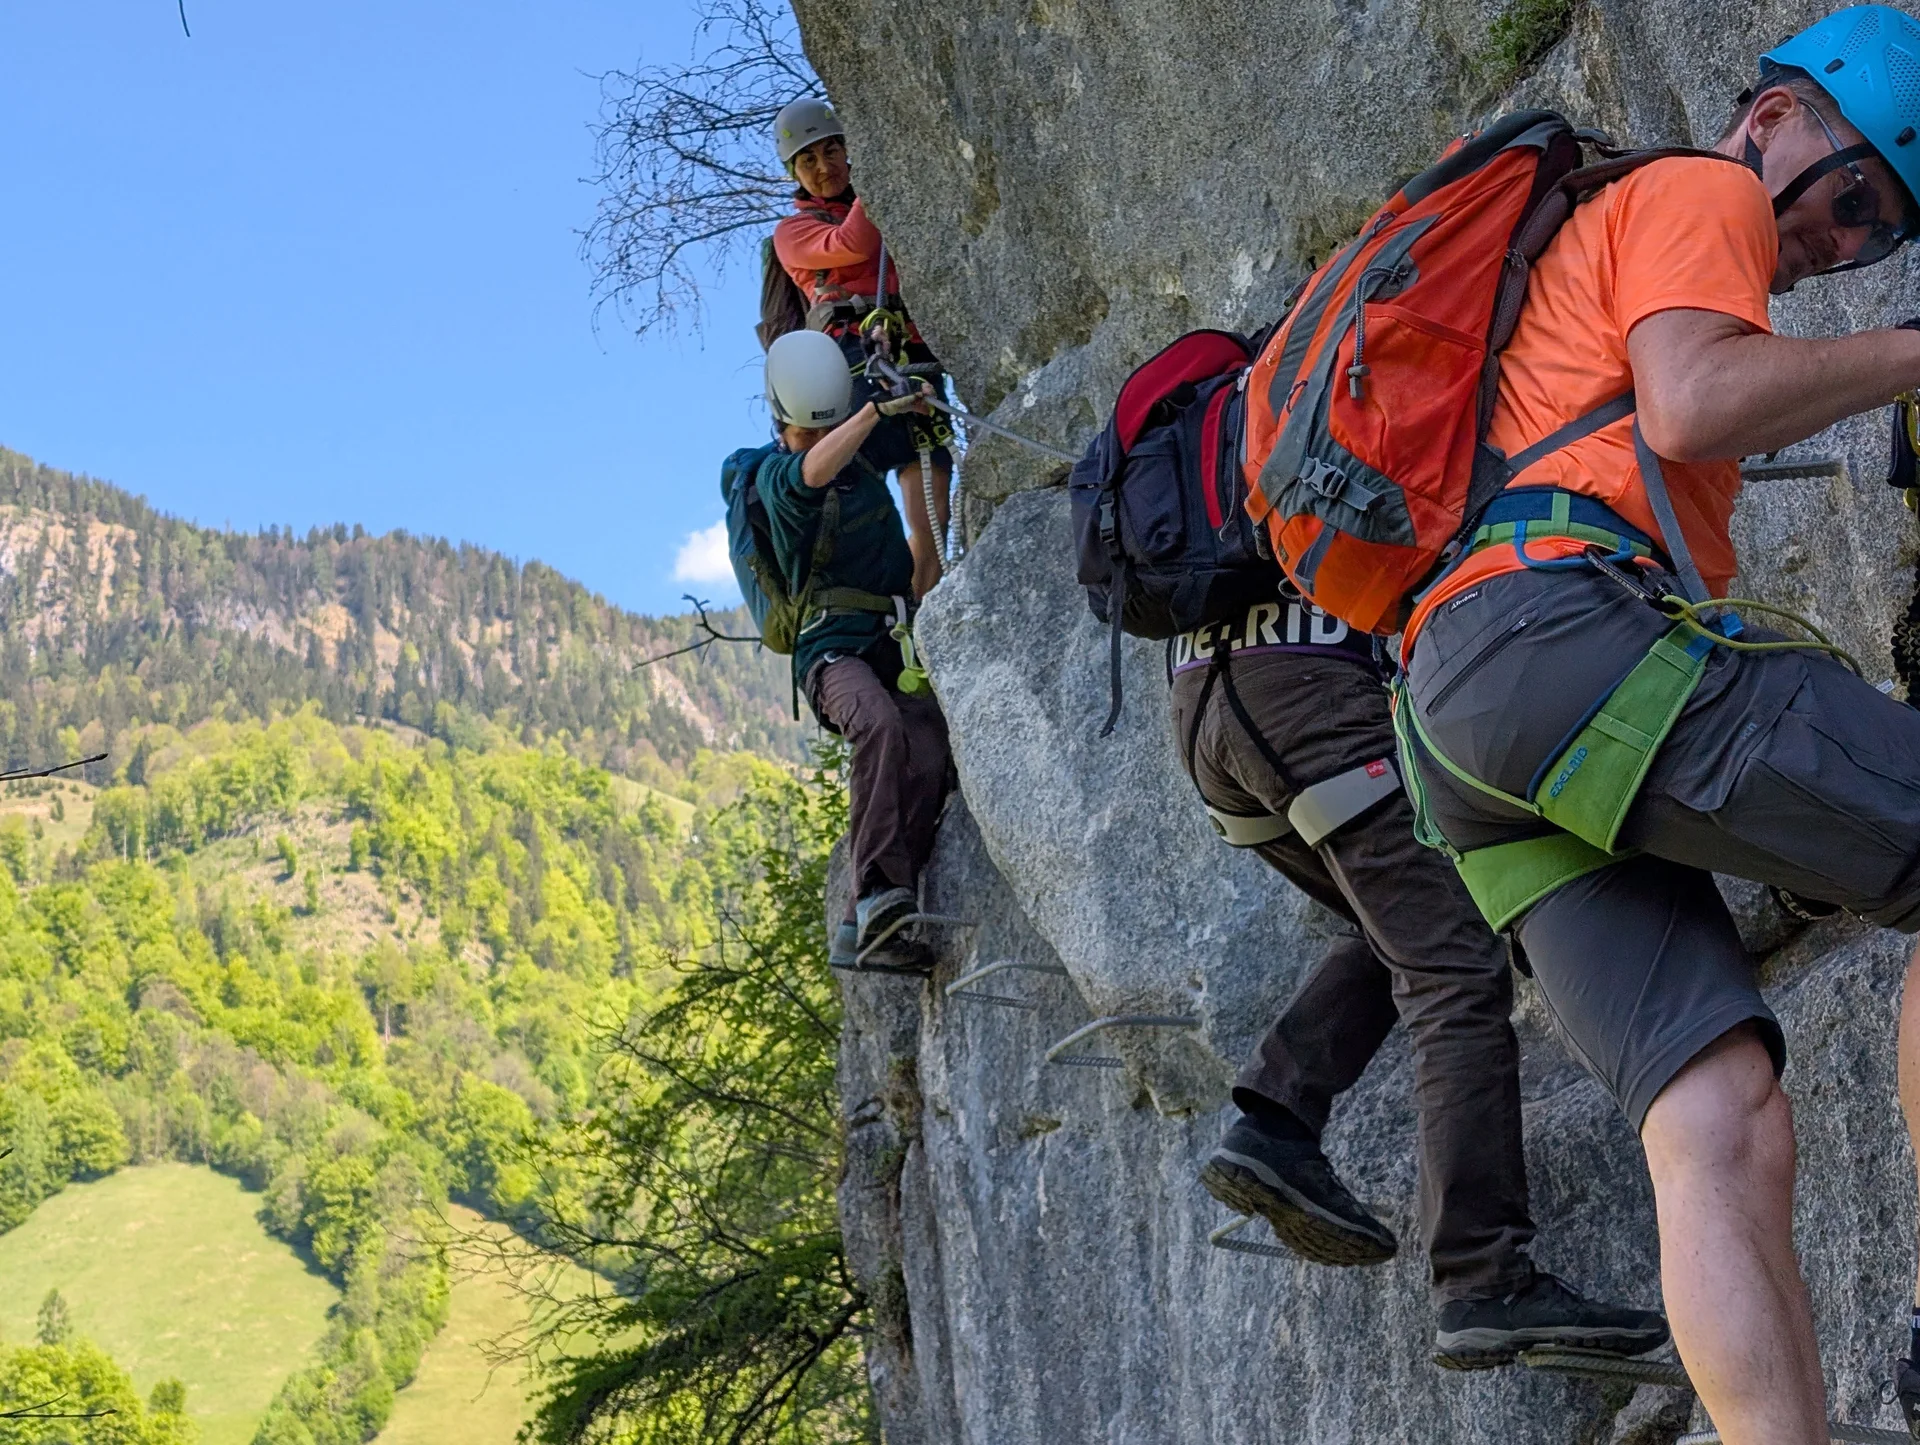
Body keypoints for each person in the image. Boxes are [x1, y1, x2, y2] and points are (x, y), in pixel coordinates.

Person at [1391, 9, 1920, 1439]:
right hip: (1561, 638)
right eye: (1853, 195)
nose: (1840, 243)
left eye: (1878, 235)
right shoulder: (1698, 189)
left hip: (1459, 718)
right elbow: (1692, 406)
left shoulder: (1589, 256)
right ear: (1778, 116)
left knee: (1714, 1117)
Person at [1173, 589, 1668, 1368]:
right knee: (1455, 966)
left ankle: (1276, 1121)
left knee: (1409, 920)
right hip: (1310, 683)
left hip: (1200, 696)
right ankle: (1484, 1279)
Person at [746, 329, 953, 970]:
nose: (817, 435)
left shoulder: (857, 456)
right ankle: (877, 896)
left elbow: (919, 452)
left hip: (890, 636)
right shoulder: (772, 476)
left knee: (929, 746)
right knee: (878, 721)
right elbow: (810, 472)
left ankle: (860, 926)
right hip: (829, 648)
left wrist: (911, 396)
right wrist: (871, 413)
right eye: (807, 429)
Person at [772, 96, 956, 599]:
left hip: (912, 355)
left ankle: (919, 611)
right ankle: (869, 606)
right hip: (853, 364)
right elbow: (853, 244)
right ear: (794, 173)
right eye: (808, 160)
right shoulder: (792, 232)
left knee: (933, 511)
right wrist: (875, 170)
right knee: (857, 499)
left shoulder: (885, 202)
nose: (823, 167)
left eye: (832, 151)